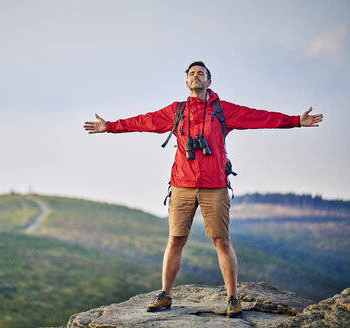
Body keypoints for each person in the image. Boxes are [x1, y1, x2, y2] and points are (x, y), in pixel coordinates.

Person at [83, 61, 323, 318]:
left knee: (221, 241)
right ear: (186, 82)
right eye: (192, 74)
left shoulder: (223, 110)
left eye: (201, 74)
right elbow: (144, 121)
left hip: (214, 185)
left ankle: (232, 298)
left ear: (209, 82)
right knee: (176, 239)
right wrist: (110, 126)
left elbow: (259, 117)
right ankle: (165, 295)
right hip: (181, 185)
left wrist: (296, 121)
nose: (196, 77)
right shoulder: (176, 111)